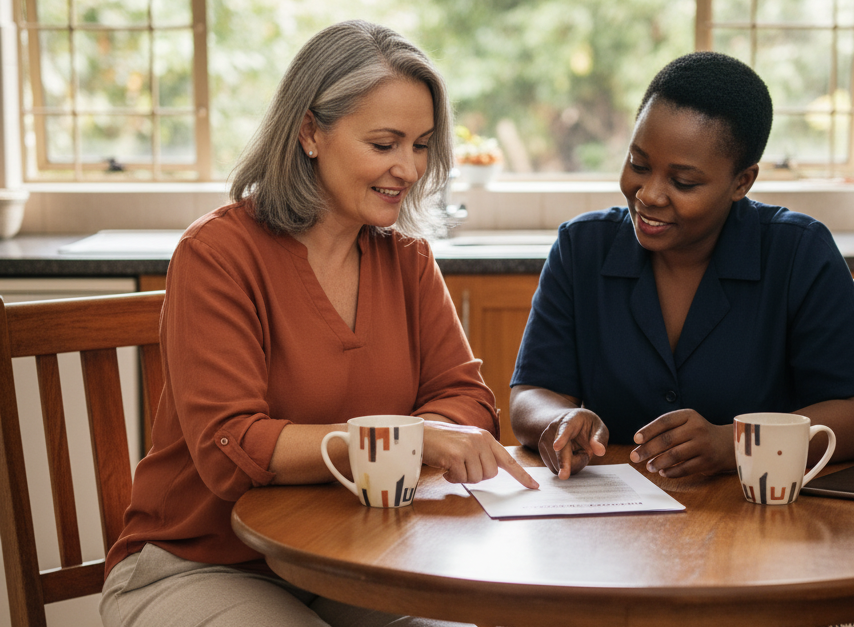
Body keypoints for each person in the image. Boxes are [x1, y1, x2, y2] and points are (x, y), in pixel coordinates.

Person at [100, 20, 537, 627]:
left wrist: (432, 430)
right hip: (202, 563)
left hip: (354, 557)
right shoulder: (217, 255)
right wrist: (408, 439)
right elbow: (234, 449)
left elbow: (464, 399)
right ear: (310, 132)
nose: (408, 169)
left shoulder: (406, 259)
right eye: (385, 145)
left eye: (420, 144)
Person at [509, 51, 854, 481]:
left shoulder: (799, 252)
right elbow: (531, 394)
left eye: (683, 182)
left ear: (741, 182)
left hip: (760, 526)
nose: (649, 194)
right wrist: (558, 421)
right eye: (638, 164)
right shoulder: (581, 248)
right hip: (613, 532)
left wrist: (736, 445)